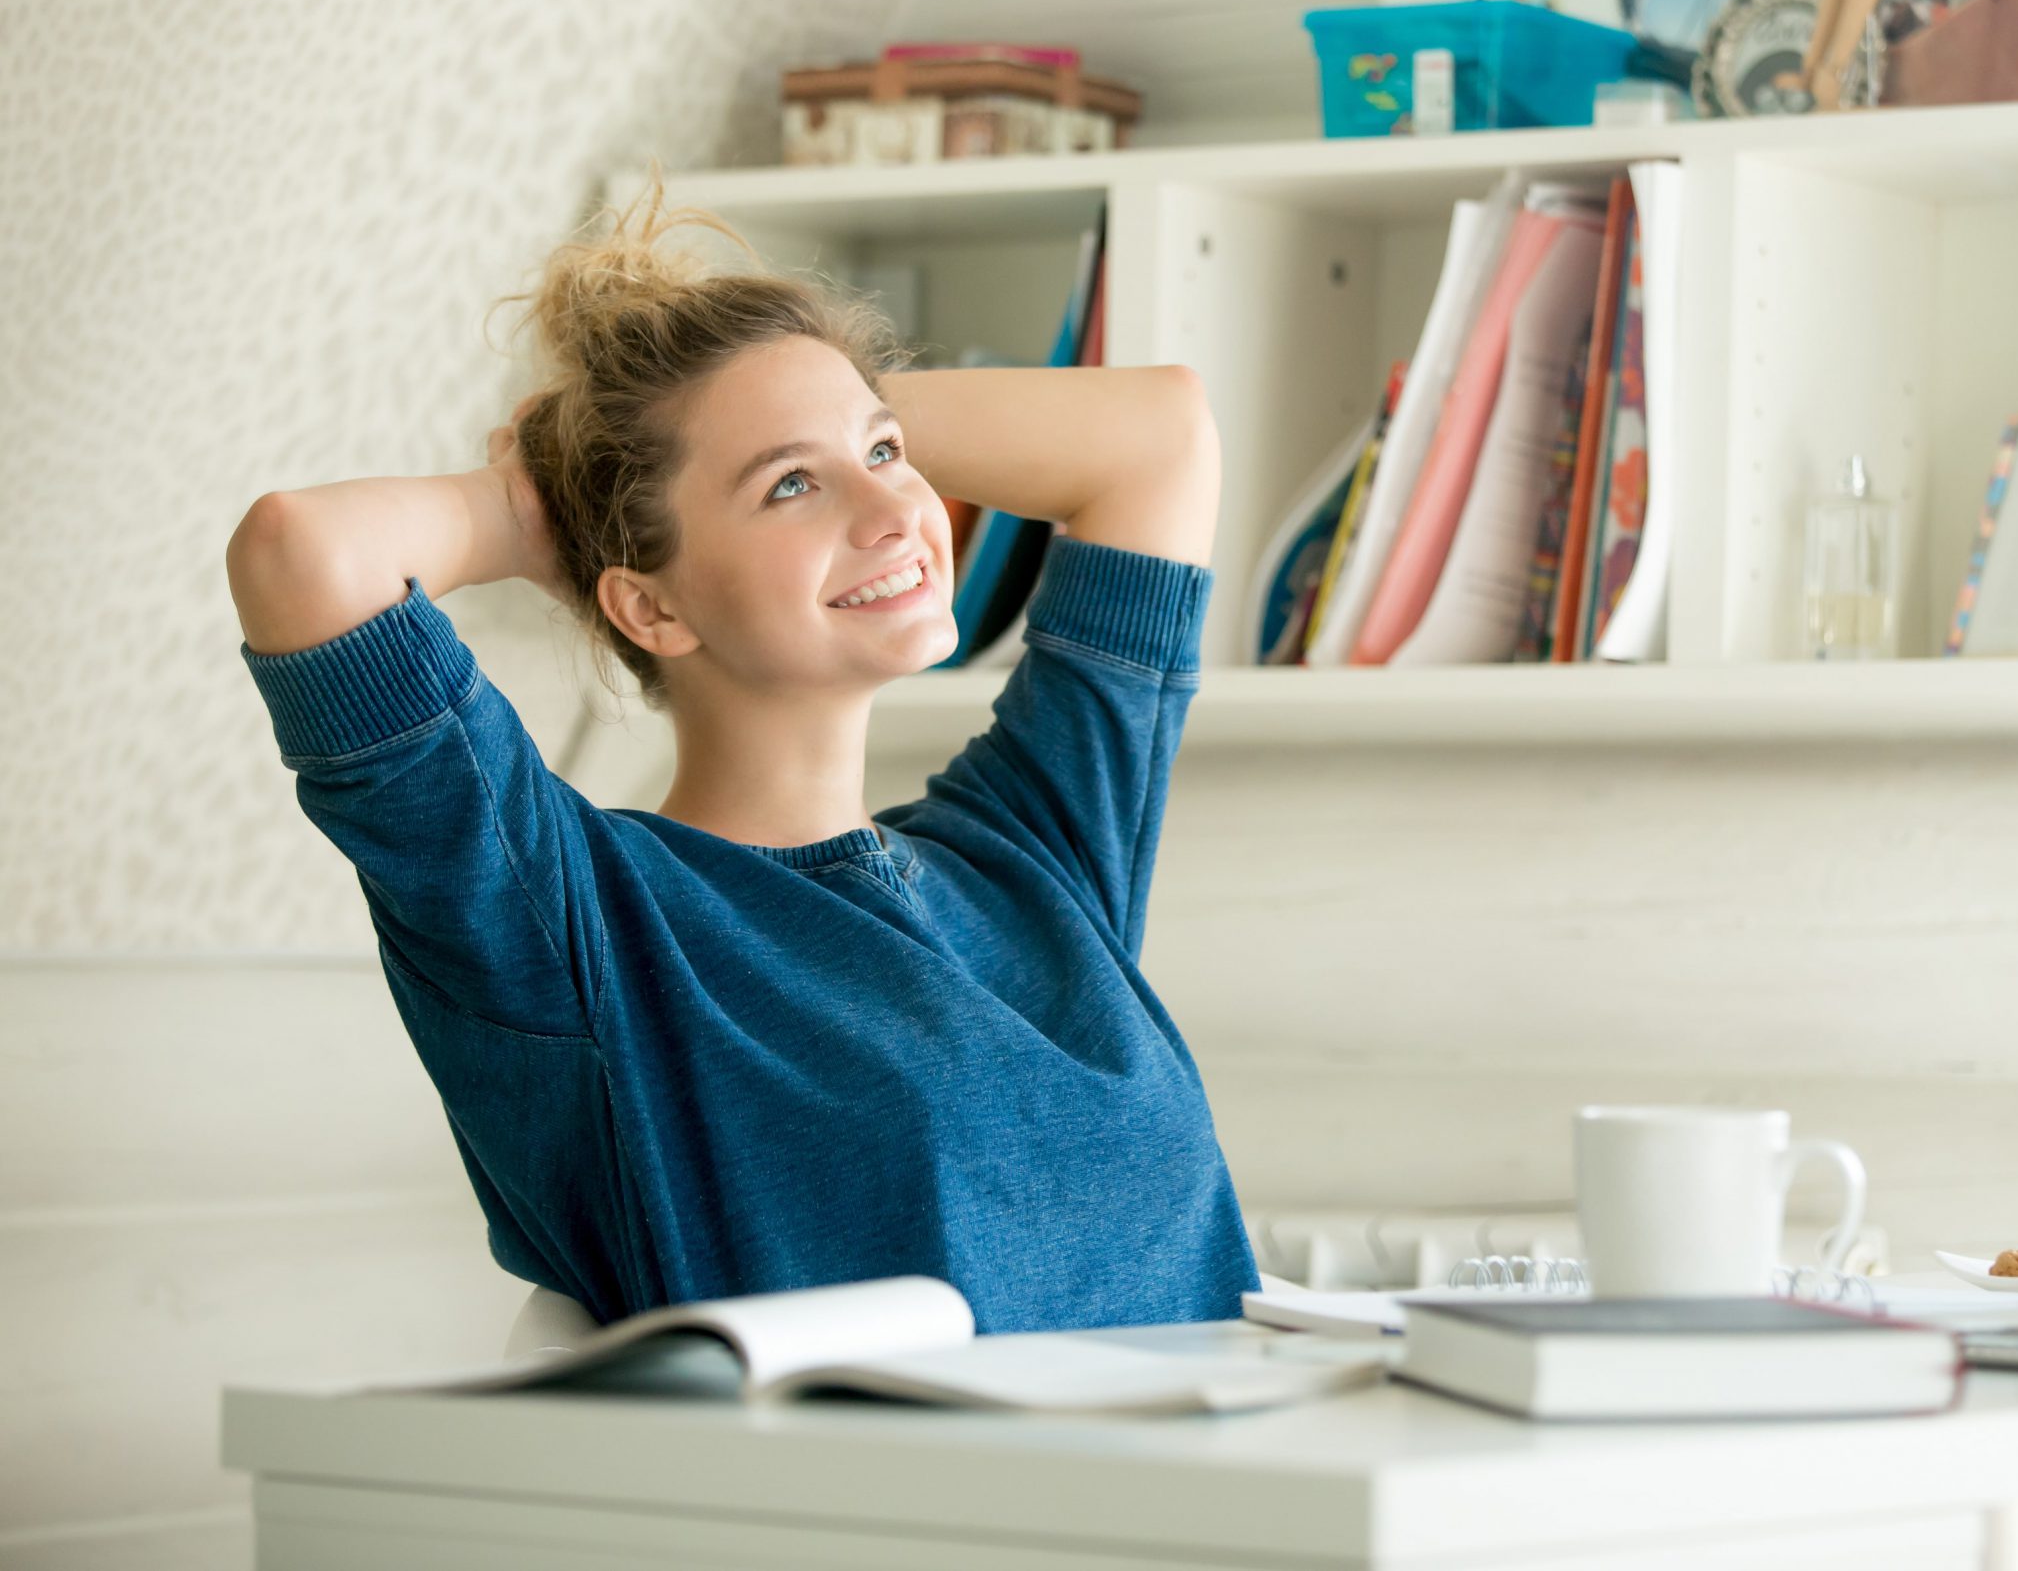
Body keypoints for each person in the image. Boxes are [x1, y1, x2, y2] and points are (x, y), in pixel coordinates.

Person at [224, 173, 1260, 1334]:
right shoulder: (582, 922)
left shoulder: (1035, 856)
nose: (893, 510)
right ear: (649, 608)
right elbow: (299, 552)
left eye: (887, 450)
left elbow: (1161, 435)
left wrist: (803, 401)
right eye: (792, 486)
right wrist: (544, 504)